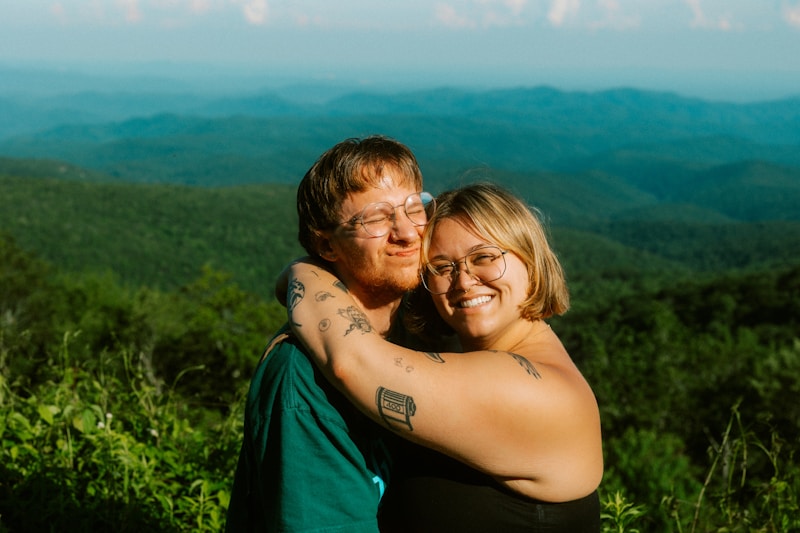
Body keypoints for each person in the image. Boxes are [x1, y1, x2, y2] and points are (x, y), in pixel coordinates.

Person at [285, 182, 603, 532]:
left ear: (531, 259)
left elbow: (353, 362)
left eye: (485, 257)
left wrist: (301, 271)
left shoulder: (538, 393)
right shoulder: (472, 357)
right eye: (441, 267)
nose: (464, 282)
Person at [225, 135, 436, 532]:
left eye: (414, 207)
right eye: (376, 218)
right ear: (326, 245)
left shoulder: (426, 330)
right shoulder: (302, 378)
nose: (407, 233)